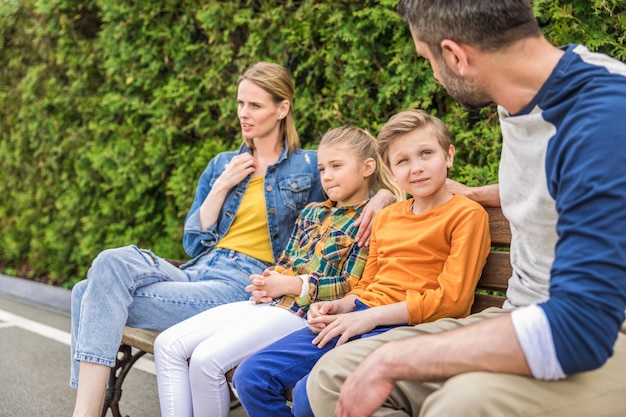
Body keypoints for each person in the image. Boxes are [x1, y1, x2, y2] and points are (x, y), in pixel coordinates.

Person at [304, 1, 626, 416]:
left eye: (428, 59)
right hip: (521, 313)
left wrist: (396, 359)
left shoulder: (604, 113)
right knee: (333, 378)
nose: (434, 75)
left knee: (460, 405)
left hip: (600, 330)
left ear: (456, 56)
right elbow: (558, 183)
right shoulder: (519, 96)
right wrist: (464, 194)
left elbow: (579, 327)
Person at [69, 62, 394, 417]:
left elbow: (369, 180)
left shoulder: (310, 166)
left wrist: (384, 196)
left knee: (88, 295)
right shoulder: (223, 164)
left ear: (282, 109)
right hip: (199, 269)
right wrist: (223, 184)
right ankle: (88, 411)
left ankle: (87, 413)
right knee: (105, 268)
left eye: (255, 105)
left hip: (244, 282)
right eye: (240, 104)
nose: (244, 114)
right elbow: (193, 243)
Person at [232, 109, 492, 417]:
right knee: (250, 377)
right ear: (391, 171)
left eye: (426, 154)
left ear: (448, 155)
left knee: (308, 392)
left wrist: (371, 317)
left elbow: (453, 301)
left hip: (409, 324)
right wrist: (341, 306)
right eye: (403, 161)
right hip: (359, 314)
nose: (417, 168)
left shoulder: (467, 215)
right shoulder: (388, 216)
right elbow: (368, 283)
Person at [152, 125, 405, 417]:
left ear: (367, 167)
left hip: (300, 314)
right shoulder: (312, 212)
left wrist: (293, 285)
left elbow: (352, 283)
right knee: (167, 344)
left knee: (206, 361)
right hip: (267, 305)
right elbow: (286, 260)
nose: (327, 176)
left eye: (337, 166)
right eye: (322, 169)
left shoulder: (371, 218)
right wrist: (268, 279)